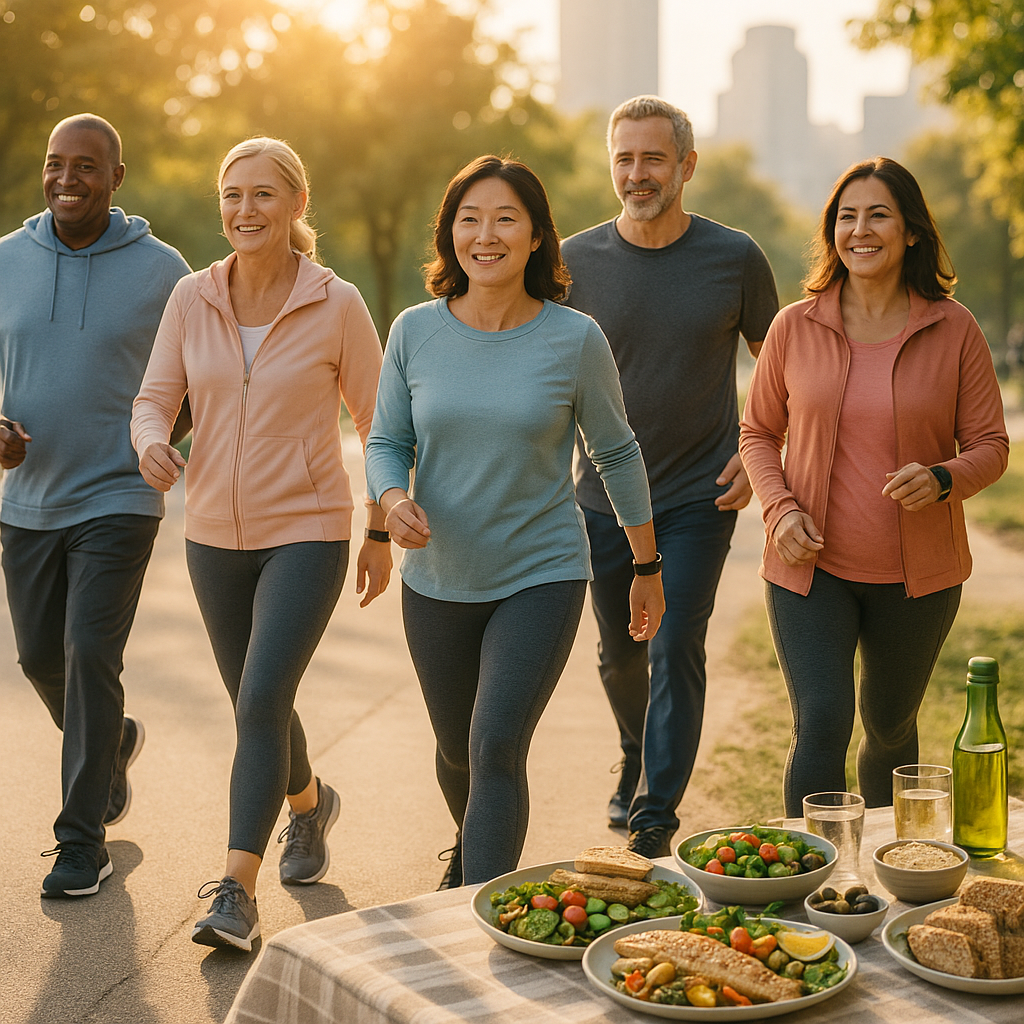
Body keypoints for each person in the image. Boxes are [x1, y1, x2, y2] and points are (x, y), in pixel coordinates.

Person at [364, 155, 664, 888]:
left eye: (505, 218)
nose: (485, 234)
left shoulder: (574, 338)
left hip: (540, 573)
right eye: (469, 219)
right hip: (438, 577)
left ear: (536, 238)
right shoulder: (414, 331)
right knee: (456, 749)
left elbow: (617, 453)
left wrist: (647, 567)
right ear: (450, 235)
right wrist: (392, 500)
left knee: (496, 742)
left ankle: (479, 910)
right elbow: (385, 440)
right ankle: (472, 850)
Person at [131, 137, 389, 951]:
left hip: (307, 530)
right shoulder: (190, 298)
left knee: (257, 700)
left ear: (296, 204)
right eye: (233, 195)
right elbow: (153, 399)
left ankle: (234, 890)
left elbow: (382, 425)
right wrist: (150, 444)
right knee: (260, 698)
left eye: (263, 194)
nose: (246, 209)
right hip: (211, 533)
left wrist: (381, 527)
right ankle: (310, 806)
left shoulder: (337, 302)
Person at [739, 157, 1009, 816]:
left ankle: (883, 881)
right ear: (832, 231)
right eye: (847, 216)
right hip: (811, 570)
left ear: (911, 231)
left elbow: (991, 447)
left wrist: (944, 477)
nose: (860, 229)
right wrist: (779, 511)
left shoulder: (954, 329)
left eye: (878, 214)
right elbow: (756, 433)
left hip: (918, 578)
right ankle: (811, 891)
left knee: (889, 728)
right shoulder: (793, 327)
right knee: (823, 723)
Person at [560, 95, 779, 857]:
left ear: (686, 166)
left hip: (696, 497)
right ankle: (634, 751)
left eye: (653, 158)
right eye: (624, 158)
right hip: (603, 498)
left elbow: (785, 371)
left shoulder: (735, 257)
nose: (637, 172)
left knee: (676, 636)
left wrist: (757, 458)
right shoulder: (572, 261)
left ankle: (656, 814)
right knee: (619, 651)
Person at [0, 114, 191, 899]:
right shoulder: (7, 259)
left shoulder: (162, 270)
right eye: (55, 164)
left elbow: (196, 374)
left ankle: (81, 841)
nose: (66, 178)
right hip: (28, 498)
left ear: (116, 176)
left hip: (119, 495)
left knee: (88, 653)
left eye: (85, 166)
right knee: (41, 658)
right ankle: (112, 743)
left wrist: (162, 441)